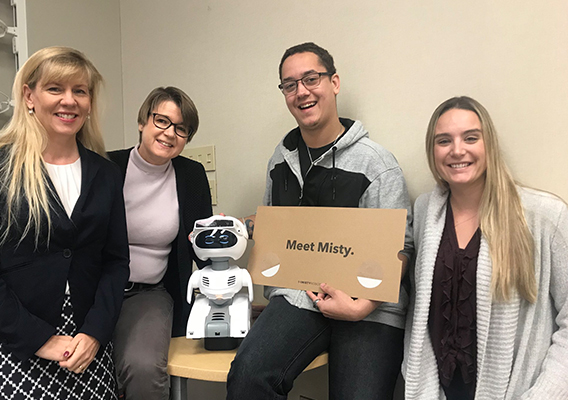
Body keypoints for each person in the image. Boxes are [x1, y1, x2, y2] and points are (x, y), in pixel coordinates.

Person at [226, 42, 413, 400]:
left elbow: (401, 248)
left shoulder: (377, 164)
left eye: (311, 79)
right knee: (248, 375)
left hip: (369, 309)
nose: (301, 92)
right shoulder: (280, 161)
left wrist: (361, 306)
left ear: (334, 83)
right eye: (290, 84)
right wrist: (238, 226)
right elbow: (277, 227)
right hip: (300, 296)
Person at [0, 46, 130, 400]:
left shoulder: (106, 174)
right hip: (17, 343)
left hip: (87, 346)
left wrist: (96, 333)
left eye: (80, 91)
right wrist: (40, 339)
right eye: (55, 89)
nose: (69, 101)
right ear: (29, 95)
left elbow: (116, 262)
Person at [402, 96, 568, 399]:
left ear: (488, 144)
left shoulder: (544, 216)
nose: (457, 150)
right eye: (444, 141)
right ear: (432, 150)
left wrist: (545, 394)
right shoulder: (426, 211)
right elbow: (421, 314)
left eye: (470, 138)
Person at [107, 86, 212, 399]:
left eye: (181, 128)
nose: (170, 133)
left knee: (142, 368)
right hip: (98, 288)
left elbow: (201, 245)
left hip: (148, 294)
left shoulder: (191, 175)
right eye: (162, 121)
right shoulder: (105, 167)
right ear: (143, 122)